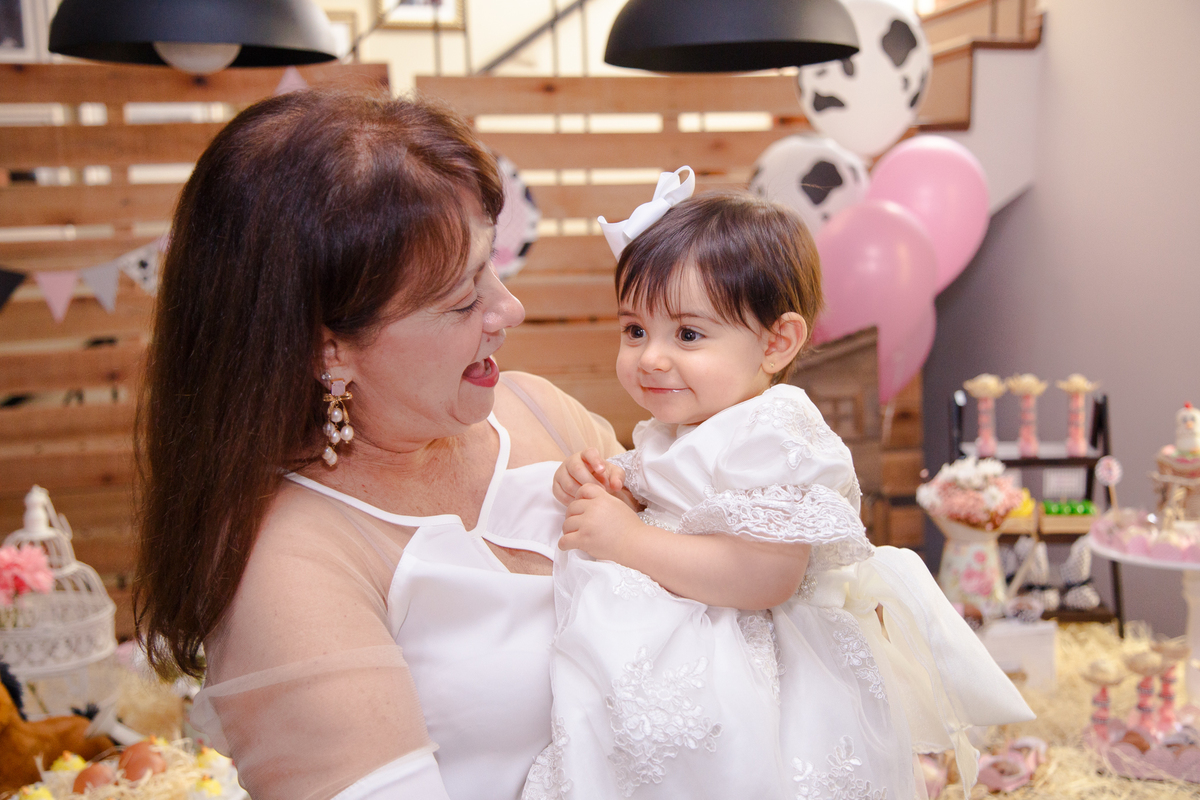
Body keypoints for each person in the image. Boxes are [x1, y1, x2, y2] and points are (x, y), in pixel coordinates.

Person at [134, 87, 624, 800]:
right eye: (461, 301)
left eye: (493, 267)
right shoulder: (286, 566)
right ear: (325, 348)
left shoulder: (540, 413)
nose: (507, 309)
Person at [521, 170, 1034, 800]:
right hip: (685, 654)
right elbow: (673, 503)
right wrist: (614, 487)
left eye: (686, 333)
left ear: (777, 342)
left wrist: (626, 539)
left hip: (768, 675)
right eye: (634, 330)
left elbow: (767, 576)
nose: (650, 357)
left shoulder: (774, 430)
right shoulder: (674, 426)